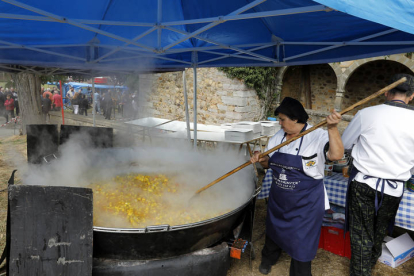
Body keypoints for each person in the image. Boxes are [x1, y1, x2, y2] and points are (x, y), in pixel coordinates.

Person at [250, 97, 344, 276]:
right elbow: (269, 164)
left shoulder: (318, 135)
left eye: (282, 119)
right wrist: (262, 159)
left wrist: (332, 128)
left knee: (303, 241)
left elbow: (336, 155)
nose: (280, 123)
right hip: (279, 198)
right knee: (273, 229)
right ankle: (268, 258)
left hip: (306, 202)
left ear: (295, 119)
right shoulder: (278, 137)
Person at [341, 74, 414, 276]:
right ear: (412, 95)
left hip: (364, 183)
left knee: (361, 233)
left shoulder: (367, 113)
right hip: (394, 187)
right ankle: (369, 264)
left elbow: (345, 145)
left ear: (387, 92)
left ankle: (361, 272)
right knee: (379, 229)